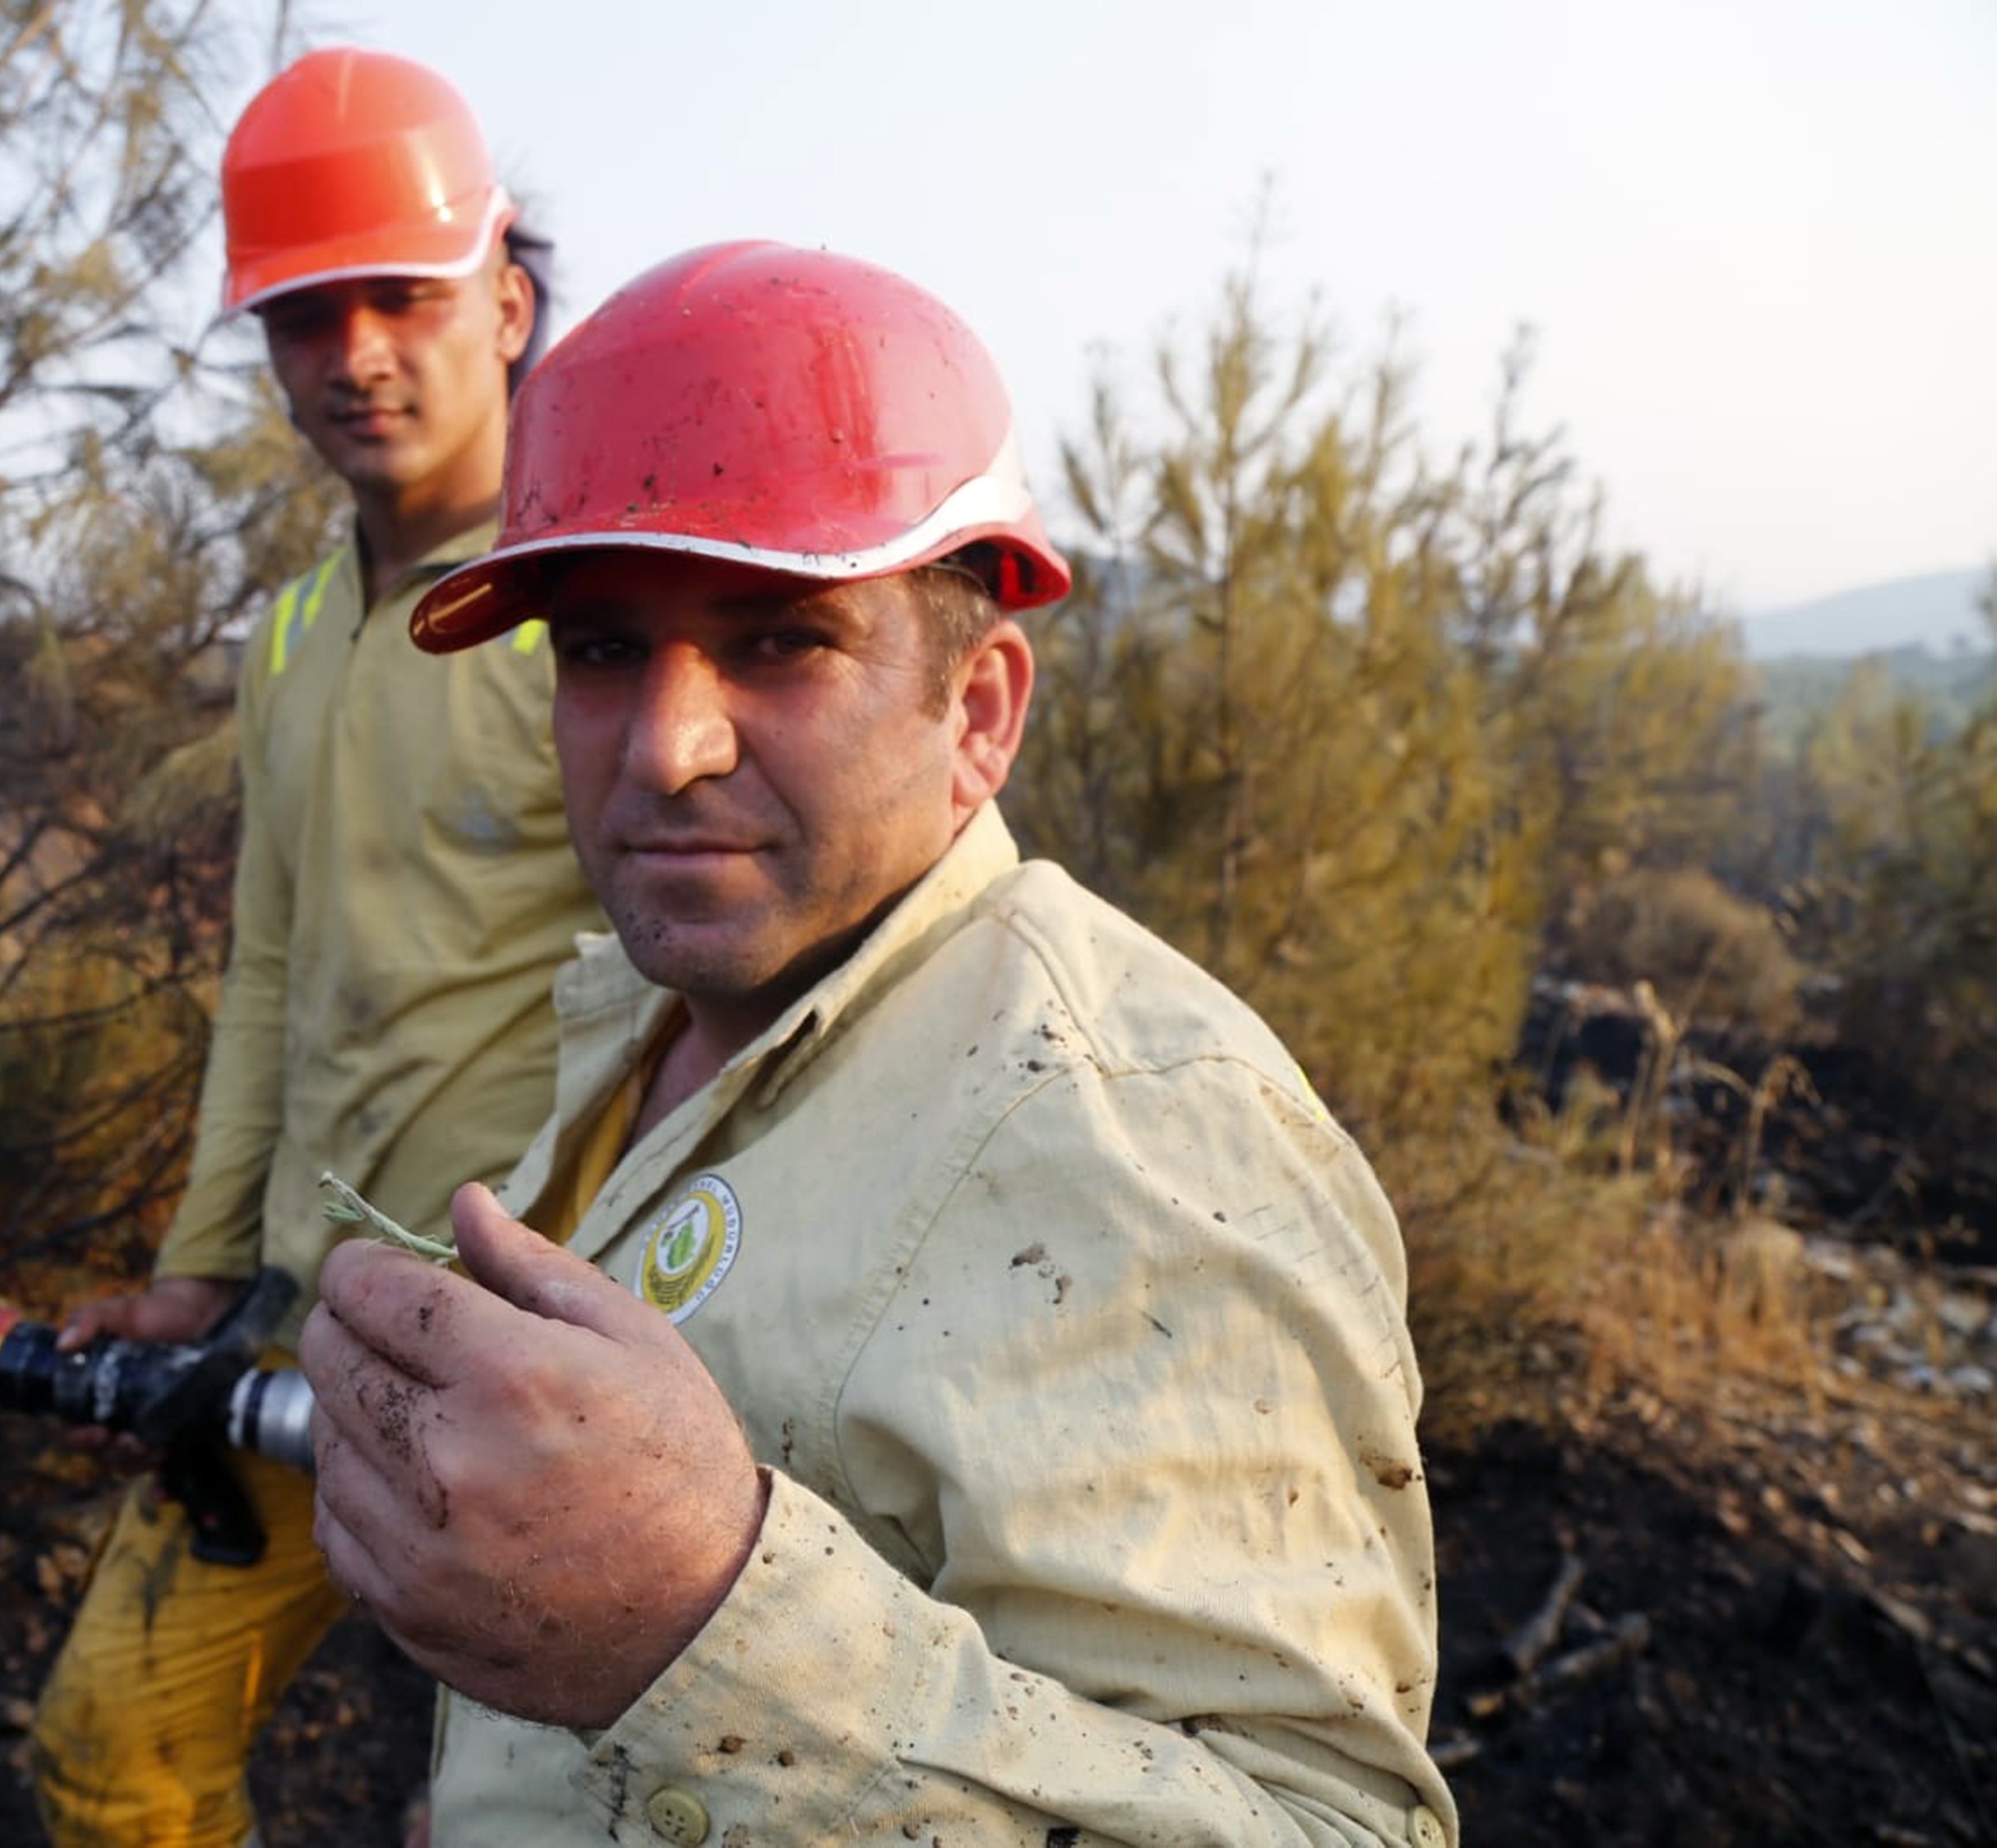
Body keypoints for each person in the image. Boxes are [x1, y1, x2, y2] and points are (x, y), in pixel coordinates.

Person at [301, 241, 1460, 1848]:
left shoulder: (1134, 1136)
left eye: (783, 641)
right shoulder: (652, 1020)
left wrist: (697, 1636)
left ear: (979, 710)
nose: (664, 744)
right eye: (600, 649)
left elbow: (1322, 1824)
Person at [29, 47, 602, 1848]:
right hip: (306, 1331)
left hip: (564, 1364)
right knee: (108, 1752)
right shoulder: (288, 640)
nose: (354, 353)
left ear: (503, 302)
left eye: (402, 298)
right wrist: (203, 1277)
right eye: (301, 313)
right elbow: (268, 977)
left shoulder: (605, 611)